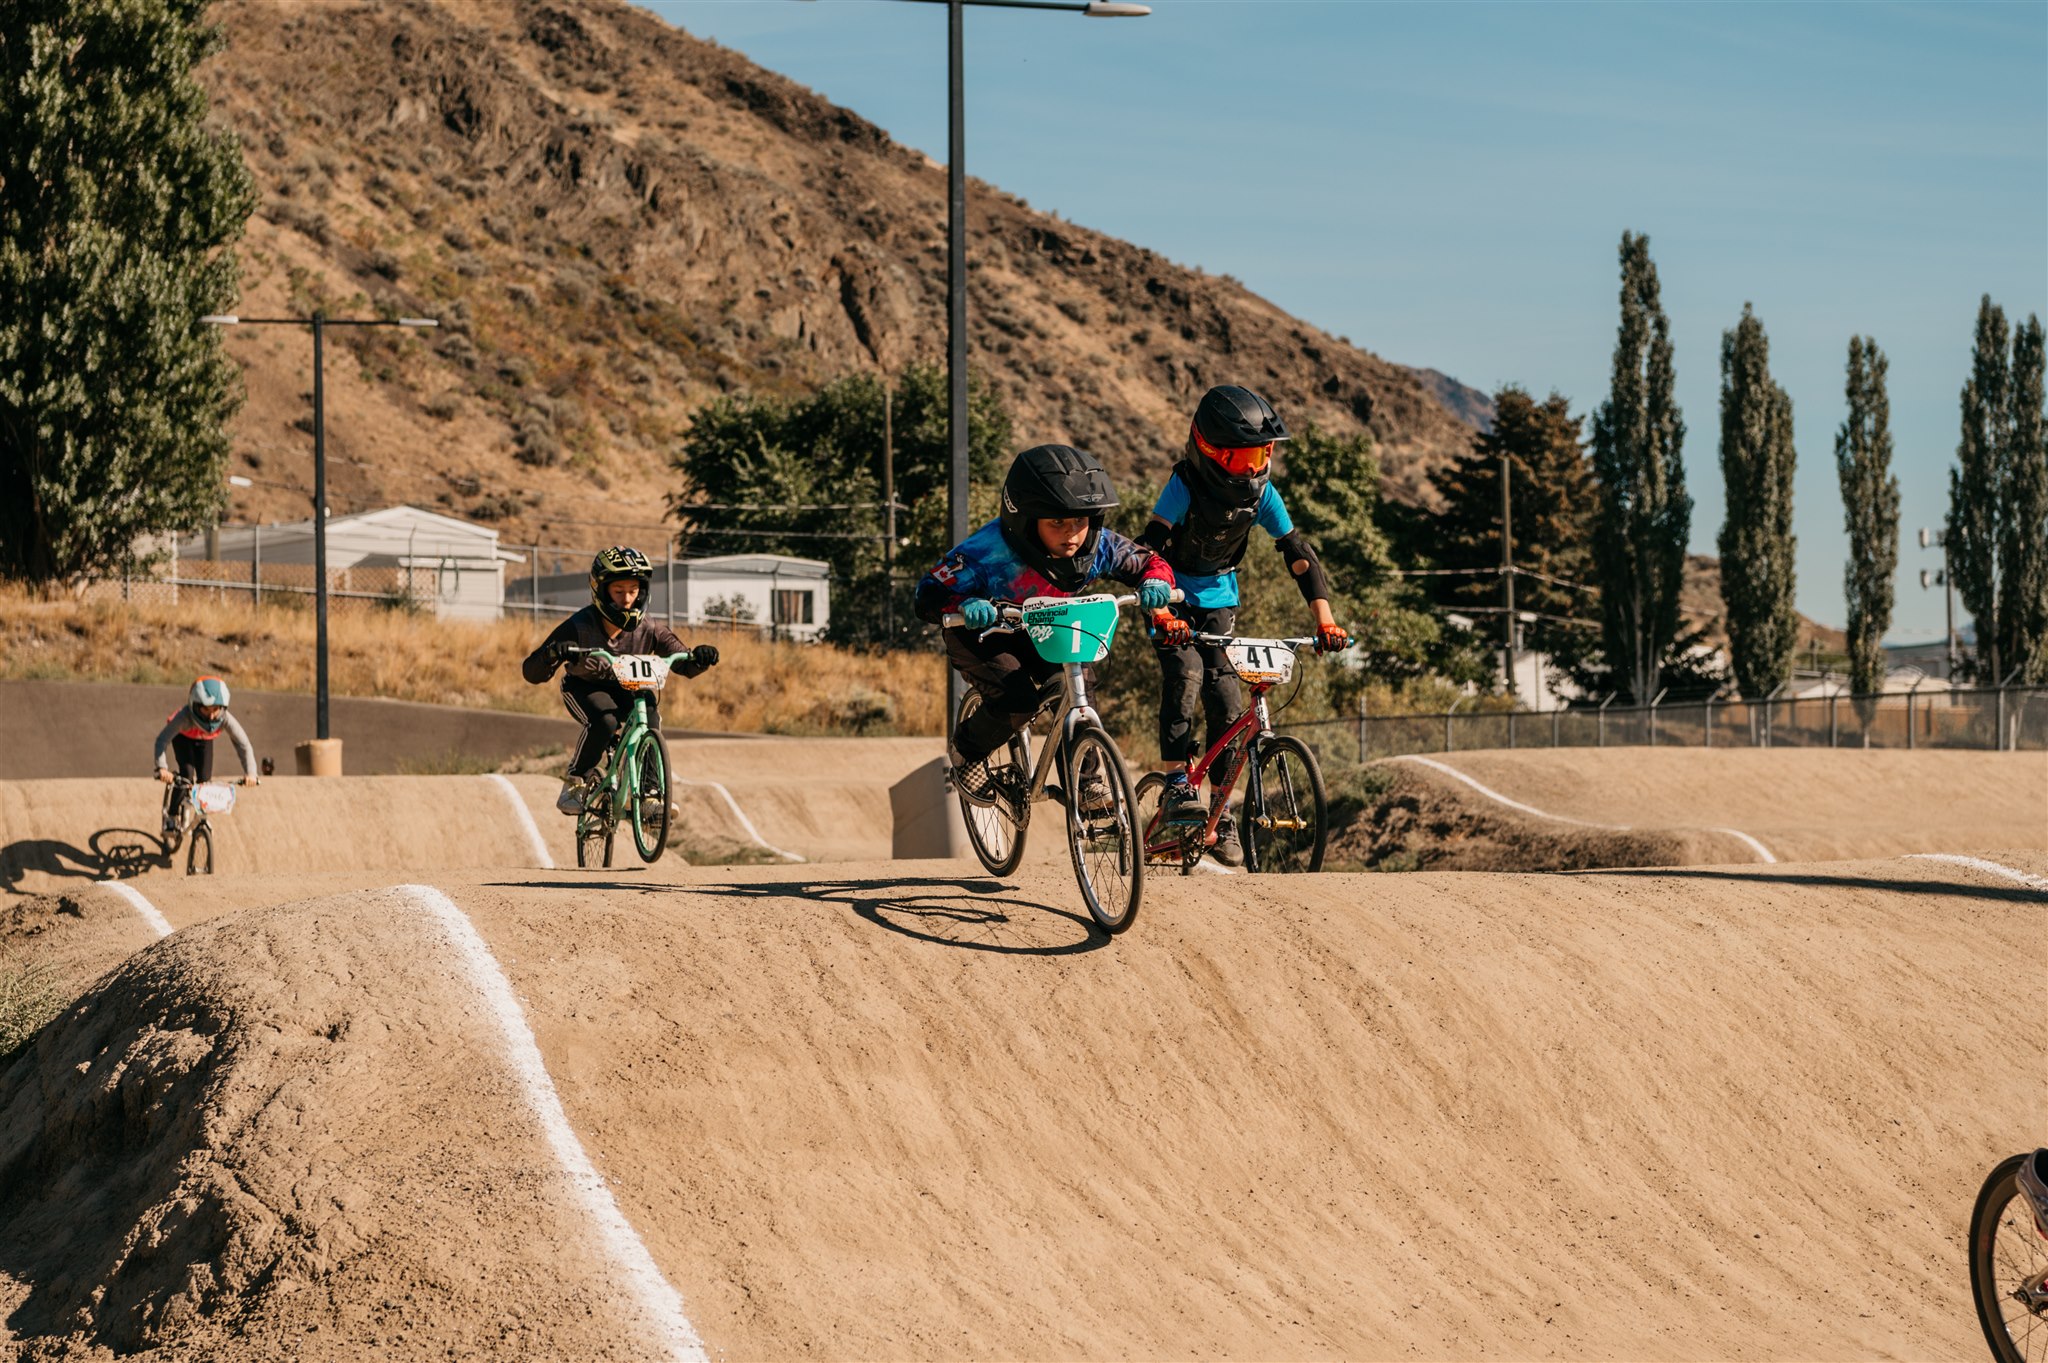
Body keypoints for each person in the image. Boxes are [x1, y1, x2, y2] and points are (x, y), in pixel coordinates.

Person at [1138, 384, 1349, 865]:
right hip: (1169, 598)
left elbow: (1298, 555)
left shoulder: (1264, 496)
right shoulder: (1185, 486)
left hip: (1218, 600)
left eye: (1264, 454)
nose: (1255, 467)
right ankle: (1175, 784)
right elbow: (1150, 544)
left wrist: (1326, 620)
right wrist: (1160, 609)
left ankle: (1222, 813)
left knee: (1228, 701)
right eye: (1244, 457)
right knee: (1185, 677)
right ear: (1212, 451)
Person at [915, 443, 1186, 801]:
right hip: (984, 635)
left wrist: (1155, 582)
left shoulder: (1098, 543)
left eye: (1079, 520)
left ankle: (1085, 782)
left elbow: (1148, 561)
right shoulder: (987, 551)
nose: (1072, 534)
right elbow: (928, 592)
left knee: (1076, 687)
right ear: (1026, 519)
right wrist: (965, 604)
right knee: (1017, 701)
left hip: (1046, 627)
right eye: (1056, 522)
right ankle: (967, 754)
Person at [522, 545, 719, 815]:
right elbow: (531, 672)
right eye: (618, 591)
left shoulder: (650, 628)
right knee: (605, 720)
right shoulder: (580, 625)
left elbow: (683, 662)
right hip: (584, 688)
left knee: (650, 716)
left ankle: (650, 795)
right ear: (601, 591)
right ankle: (576, 781)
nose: (627, 599)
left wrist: (700, 659)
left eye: (633, 590)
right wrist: (552, 654)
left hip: (630, 689)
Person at [154, 676, 259, 837]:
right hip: (183, 737)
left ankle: (200, 818)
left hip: (204, 740)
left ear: (223, 707)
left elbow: (243, 744)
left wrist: (251, 773)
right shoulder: (183, 718)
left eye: (215, 709)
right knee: (186, 775)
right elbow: (162, 740)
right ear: (195, 705)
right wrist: (162, 768)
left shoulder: (224, 719)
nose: (211, 716)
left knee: (205, 780)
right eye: (206, 709)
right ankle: (173, 815)